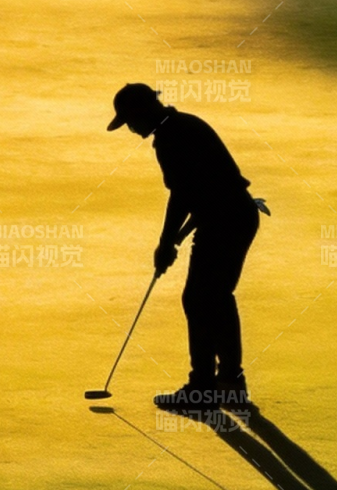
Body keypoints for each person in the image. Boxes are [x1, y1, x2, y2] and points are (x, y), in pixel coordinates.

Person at [107, 83, 264, 414]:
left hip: (226, 221)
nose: (131, 129)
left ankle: (204, 389)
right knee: (214, 297)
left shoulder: (171, 138)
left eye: (130, 121)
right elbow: (201, 194)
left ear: (142, 112)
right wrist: (173, 240)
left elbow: (182, 197)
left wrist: (166, 242)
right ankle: (228, 383)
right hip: (231, 216)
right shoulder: (182, 125)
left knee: (201, 298)